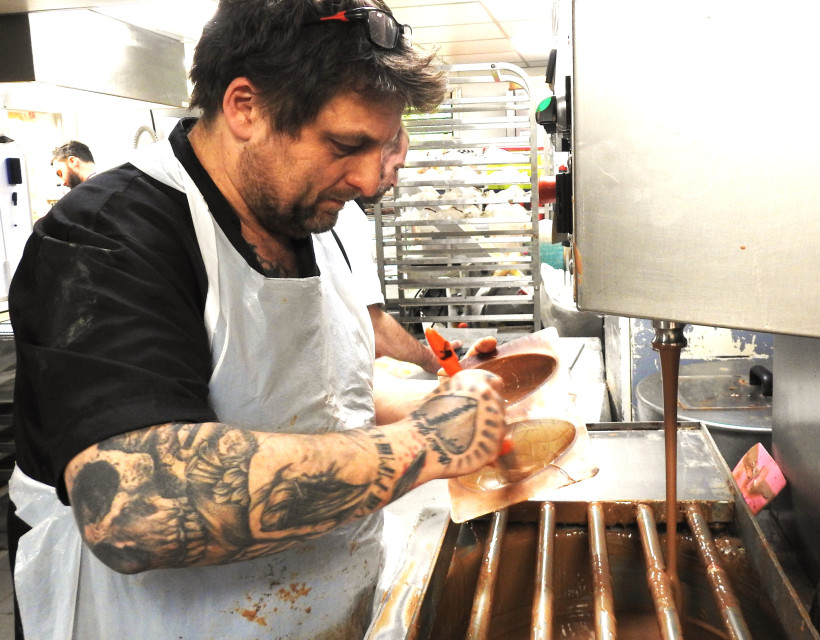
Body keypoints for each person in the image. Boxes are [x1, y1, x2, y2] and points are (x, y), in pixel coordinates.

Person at [7, 1, 507, 639]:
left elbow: (316, 389)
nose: (368, 179)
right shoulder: (107, 235)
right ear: (246, 107)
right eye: (346, 145)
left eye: (384, 145)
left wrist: (441, 402)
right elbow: (137, 507)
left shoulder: (314, 218)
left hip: (324, 609)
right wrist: (426, 443)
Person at [338, 127, 443, 373]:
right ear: (378, 155)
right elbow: (373, 325)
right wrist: (435, 362)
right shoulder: (345, 215)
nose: (395, 182)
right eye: (396, 168)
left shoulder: (338, 209)